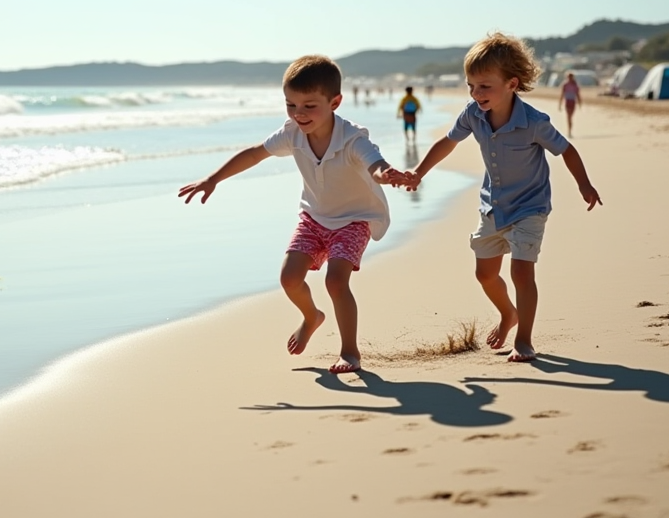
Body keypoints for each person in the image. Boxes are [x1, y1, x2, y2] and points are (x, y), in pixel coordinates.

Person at [179, 55, 408, 374]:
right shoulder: (291, 133)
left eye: (309, 106)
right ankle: (311, 316)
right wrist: (213, 179)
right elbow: (255, 154)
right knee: (289, 278)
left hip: (354, 220)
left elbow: (376, 164)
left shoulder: (352, 139)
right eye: (291, 105)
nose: (299, 114)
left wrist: (387, 175)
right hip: (313, 218)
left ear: (335, 102)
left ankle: (350, 352)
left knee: (336, 282)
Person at [404, 33, 601, 363]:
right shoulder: (473, 114)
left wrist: (584, 184)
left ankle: (524, 339)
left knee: (522, 274)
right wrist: (419, 172)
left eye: (484, 86)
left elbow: (566, 150)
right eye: (471, 86)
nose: (476, 93)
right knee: (485, 274)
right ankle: (508, 314)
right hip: (492, 205)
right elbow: (448, 143)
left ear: (512, 83)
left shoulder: (534, 123)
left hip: (529, 207)